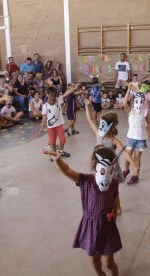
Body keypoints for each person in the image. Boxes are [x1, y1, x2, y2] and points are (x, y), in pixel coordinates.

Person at [42, 145, 122, 276]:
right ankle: (100, 274)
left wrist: (113, 215)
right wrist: (58, 160)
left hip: (107, 227)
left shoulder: (114, 183)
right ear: (93, 164)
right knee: (94, 259)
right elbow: (68, 170)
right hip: (91, 227)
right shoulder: (86, 181)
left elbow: (114, 200)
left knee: (109, 262)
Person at [85, 99, 139, 214]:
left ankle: (118, 207)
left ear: (109, 127)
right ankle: (103, 204)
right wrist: (87, 107)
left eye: (102, 124)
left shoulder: (114, 141)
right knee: (101, 187)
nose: (99, 126)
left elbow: (125, 153)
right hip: (100, 169)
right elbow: (90, 119)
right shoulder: (98, 134)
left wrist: (133, 163)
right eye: (100, 124)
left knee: (113, 190)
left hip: (111, 170)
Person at [122, 83, 150, 185]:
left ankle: (135, 175)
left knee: (137, 158)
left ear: (143, 102)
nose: (139, 103)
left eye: (141, 101)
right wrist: (128, 89)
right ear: (133, 102)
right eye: (136, 101)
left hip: (140, 139)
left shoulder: (145, 112)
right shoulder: (131, 111)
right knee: (128, 156)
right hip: (130, 138)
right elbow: (124, 103)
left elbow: (149, 125)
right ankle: (126, 170)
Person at [39, 86, 70, 159]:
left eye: (54, 95)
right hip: (50, 127)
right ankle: (54, 154)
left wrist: (73, 89)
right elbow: (44, 117)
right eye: (51, 95)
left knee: (62, 139)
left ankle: (61, 152)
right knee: (52, 142)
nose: (53, 97)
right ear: (47, 94)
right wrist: (42, 127)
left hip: (59, 125)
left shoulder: (58, 101)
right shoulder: (45, 106)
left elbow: (66, 93)